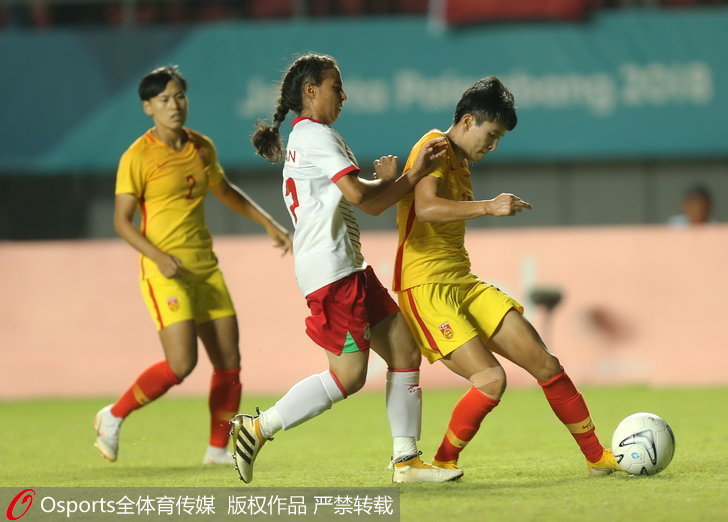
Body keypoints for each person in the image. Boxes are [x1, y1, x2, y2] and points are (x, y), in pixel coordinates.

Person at [229, 53, 461, 484]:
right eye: (336, 86)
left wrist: (400, 178)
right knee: (349, 377)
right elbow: (360, 196)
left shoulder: (311, 137)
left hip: (349, 267)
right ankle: (258, 427)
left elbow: (366, 201)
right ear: (310, 91)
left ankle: (407, 462)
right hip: (332, 272)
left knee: (405, 351)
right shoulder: (316, 136)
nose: (344, 95)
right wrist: (405, 176)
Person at [393, 76, 623, 476]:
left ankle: (596, 458)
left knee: (546, 363)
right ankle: (444, 460)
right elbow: (425, 208)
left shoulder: (461, 163)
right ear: (468, 121)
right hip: (425, 288)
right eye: (492, 135)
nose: (494, 145)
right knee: (491, 380)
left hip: (462, 282)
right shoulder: (433, 145)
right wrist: (489, 206)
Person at [94, 65, 292, 465]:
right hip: (164, 271)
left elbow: (225, 190)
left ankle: (217, 451)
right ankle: (112, 416)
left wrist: (268, 223)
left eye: (179, 96)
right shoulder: (137, 156)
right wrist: (159, 257)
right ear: (148, 107)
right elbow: (121, 222)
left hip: (205, 268)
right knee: (182, 364)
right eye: (164, 99)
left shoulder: (201, 147)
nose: (174, 105)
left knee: (230, 363)